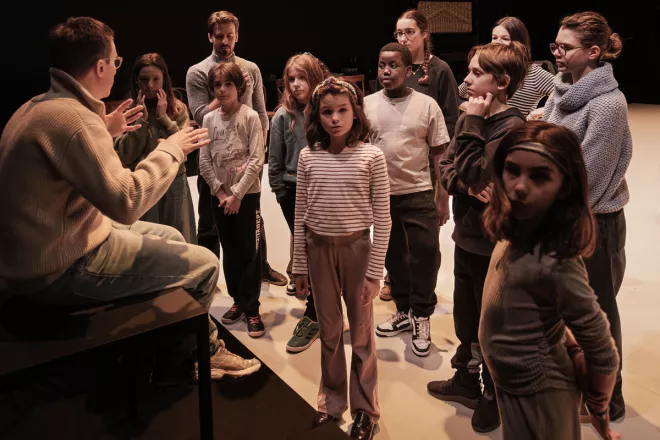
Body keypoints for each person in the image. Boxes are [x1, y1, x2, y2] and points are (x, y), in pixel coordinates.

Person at [0, 16, 260, 381]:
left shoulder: (40, 107)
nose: (116, 68)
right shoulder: (74, 121)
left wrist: (104, 130)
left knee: (173, 236)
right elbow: (127, 201)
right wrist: (171, 148)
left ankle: (166, 342)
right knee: (204, 266)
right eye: (116, 61)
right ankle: (183, 360)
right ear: (100, 66)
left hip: (52, 246)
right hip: (59, 266)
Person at [478, 121, 621, 440]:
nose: (519, 186)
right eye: (512, 170)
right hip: (513, 387)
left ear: (565, 187)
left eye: (539, 176)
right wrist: (568, 342)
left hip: (540, 396)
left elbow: (602, 350)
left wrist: (598, 408)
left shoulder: (556, 263)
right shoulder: (517, 232)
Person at [429, 41, 528, 433]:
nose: (466, 79)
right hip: (467, 237)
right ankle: (467, 379)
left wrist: (471, 131)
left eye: (475, 73)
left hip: (494, 246)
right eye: (468, 70)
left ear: (501, 83)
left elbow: (474, 171)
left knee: (491, 325)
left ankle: (492, 395)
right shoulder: (469, 116)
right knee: (466, 319)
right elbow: (448, 168)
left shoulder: (511, 128)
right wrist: (466, 185)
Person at [542, 11, 632, 421]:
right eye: (555, 45)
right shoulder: (560, 90)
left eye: (566, 47)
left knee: (598, 316)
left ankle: (609, 400)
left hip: (596, 223)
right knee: (570, 312)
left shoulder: (609, 105)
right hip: (562, 218)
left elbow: (590, 177)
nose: (557, 53)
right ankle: (582, 390)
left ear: (594, 52)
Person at [292, 77, 391, 440]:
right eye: (327, 112)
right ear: (317, 116)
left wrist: (375, 272)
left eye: (342, 111)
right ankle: (332, 401)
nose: (335, 119)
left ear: (355, 112)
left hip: (357, 251)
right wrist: (299, 265)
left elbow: (383, 218)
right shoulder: (308, 156)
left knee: (361, 333)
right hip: (318, 250)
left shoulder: (372, 156)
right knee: (330, 330)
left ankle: (365, 410)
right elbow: (300, 215)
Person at [186, 10, 287, 286]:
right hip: (214, 158)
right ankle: (207, 277)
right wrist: (228, 87)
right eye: (219, 36)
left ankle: (261, 266)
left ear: (237, 36)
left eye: (230, 36)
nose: (225, 42)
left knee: (253, 217)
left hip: (247, 158)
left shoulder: (250, 68)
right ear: (210, 37)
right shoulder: (197, 71)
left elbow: (261, 114)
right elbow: (199, 116)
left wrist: (259, 156)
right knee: (210, 219)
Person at [365, 43, 450, 358]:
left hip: (418, 192)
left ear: (408, 70)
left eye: (394, 66)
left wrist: (443, 196)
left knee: (426, 253)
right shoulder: (366, 105)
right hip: (381, 196)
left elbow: (439, 153)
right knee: (393, 256)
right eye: (381, 65)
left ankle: (422, 313)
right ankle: (403, 309)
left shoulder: (426, 105)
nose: (386, 72)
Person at [378, 9, 459, 302]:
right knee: (392, 230)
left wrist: (443, 179)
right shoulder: (392, 67)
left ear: (424, 34)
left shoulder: (439, 70)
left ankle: (423, 288)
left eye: (409, 32)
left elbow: (450, 119)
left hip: (426, 163)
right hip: (394, 164)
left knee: (423, 234)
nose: (403, 38)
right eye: (399, 33)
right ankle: (394, 278)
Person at [200, 62, 266, 338]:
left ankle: (252, 308)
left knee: (249, 250)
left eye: (228, 84)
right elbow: (204, 160)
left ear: (239, 86)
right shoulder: (208, 119)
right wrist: (221, 192)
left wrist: (237, 194)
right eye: (217, 85)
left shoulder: (250, 116)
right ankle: (238, 299)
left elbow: (256, 158)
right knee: (229, 248)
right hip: (220, 196)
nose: (223, 90)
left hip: (246, 196)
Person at [268, 52, 329, 352]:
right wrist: (279, 191)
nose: (295, 84)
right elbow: (274, 159)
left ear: (314, 78)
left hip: (324, 189)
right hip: (293, 190)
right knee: (306, 246)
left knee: (320, 248)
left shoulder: (326, 112)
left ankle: (320, 307)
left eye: (302, 78)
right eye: (290, 79)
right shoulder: (283, 116)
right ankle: (314, 311)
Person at [114, 53, 196, 243]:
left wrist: (163, 117)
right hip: (143, 183)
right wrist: (141, 122)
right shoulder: (128, 111)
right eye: (144, 80)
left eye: (155, 79)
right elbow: (125, 156)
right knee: (148, 241)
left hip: (173, 182)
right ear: (137, 81)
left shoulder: (178, 109)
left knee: (178, 238)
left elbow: (184, 150)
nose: (150, 85)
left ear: (164, 79)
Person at [458, 17, 555, 118]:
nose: (497, 42)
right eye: (494, 38)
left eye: (505, 39)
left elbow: (563, 93)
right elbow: (455, 96)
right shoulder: (487, 68)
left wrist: (537, 113)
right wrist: (472, 109)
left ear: (518, 42)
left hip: (515, 126)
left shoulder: (533, 73)